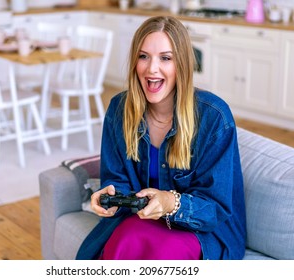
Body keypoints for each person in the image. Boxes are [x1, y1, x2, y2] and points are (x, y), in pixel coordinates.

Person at [76, 16, 246, 260]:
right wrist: (110, 198)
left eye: (165, 58)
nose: (151, 68)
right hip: (142, 220)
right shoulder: (119, 110)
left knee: (162, 254)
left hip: (199, 229)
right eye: (143, 56)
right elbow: (116, 179)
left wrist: (170, 202)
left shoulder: (214, 117)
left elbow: (214, 209)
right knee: (123, 244)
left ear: (182, 65)